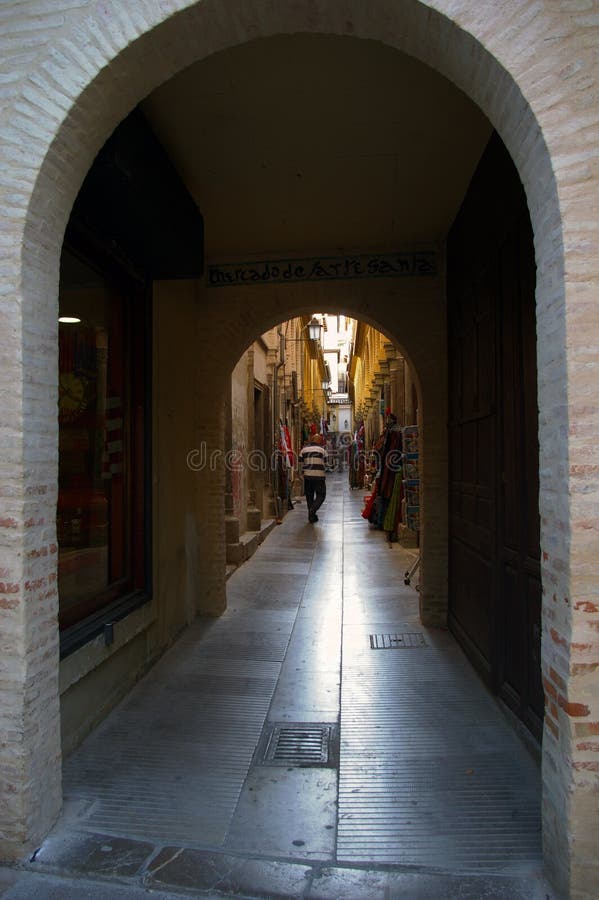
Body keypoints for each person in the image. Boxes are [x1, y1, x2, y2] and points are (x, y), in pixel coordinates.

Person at [299, 433, 326, 523]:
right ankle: (313, 510)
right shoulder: (322, 450)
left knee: (309, 496)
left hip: (308, 477)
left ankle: (312, 516)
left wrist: (301, 474)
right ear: (319, 441)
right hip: (319, 477)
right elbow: (326, 462)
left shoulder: (304, 450)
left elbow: (300, 463)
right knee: (321, 495)